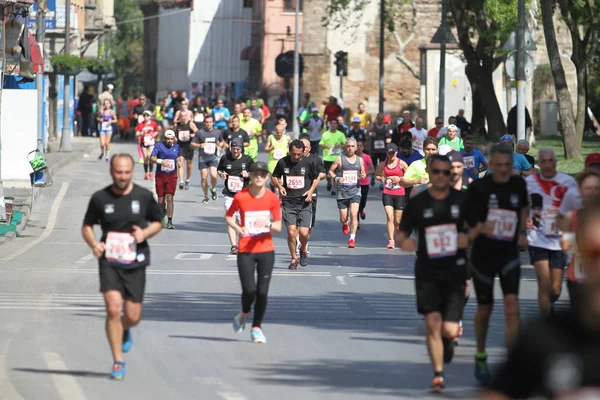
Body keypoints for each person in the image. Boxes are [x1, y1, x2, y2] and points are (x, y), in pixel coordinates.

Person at [481, 196, 600, 399]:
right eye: (594, 253)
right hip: (540, 243)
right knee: (547, 285)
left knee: (553, 287)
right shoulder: (543, 336)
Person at [81, 154, 163, 380]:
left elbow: (159, 221)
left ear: (132, 172)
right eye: (119, 172)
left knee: (133, 316)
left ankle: (125, 327)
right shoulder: (100, 198)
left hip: (135, 262)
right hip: (110, 261)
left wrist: (144, 233)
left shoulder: (143, 196)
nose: (123, 176)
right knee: (113, 309)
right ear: (111, 172)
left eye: (127, 172)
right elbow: (87, 226)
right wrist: (95, 244)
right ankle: (118, 361)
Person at [395, 154, 471, 393]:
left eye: (445, 172)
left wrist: (467, 237)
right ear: (430, 173)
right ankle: (438, 374)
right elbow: (402, 233)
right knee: (432, 322)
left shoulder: (463, 199)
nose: (441, 176)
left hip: (456, 269)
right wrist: (406, 244)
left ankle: (448, 341)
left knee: (448, 329)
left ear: (451, 174)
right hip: (427, 270)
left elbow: (479, 225)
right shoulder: (419, 202)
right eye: (436, 172)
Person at [466, 143, 529, 386]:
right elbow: (468, 219)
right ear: (490, 165)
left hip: (508, 253)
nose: (504, 170)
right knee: (485, 309)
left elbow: (523, 207)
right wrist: (480, 228)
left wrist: (523, 230)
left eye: (507, 165)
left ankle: (514, 359)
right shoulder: (480, 188)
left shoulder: (518, 184)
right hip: (483, 255)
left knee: (512, 305)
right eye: (499, 165)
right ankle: (480, 354)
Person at [226, 161, 282, 344]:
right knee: (249, 290)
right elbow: (228, 216)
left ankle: (256, 327)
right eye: (255, 174)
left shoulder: (272, 198)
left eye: (262, 174)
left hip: (266, 250)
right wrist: (238, 228)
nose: (259, 177)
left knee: (263, 292)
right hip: (246, 250)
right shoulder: (241, 196)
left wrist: (266, 224)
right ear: (250, 176)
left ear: (267, 177)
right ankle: (243, 314)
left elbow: (278, 226)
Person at [525, 148, 577, 314]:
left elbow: (576, 210)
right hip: (537, 237)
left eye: (550, 161)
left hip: (560, 239)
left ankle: (549, 305)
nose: (547, 164)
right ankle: (546, 321)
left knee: (555, 289)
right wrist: (525, 218)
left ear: (555, 162)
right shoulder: (529, 182)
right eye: (543, 161)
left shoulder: (568, 182)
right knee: (544, 282)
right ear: (538, 163)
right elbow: (521, 204)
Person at [271, 140, 320, 270]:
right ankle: (294, 258)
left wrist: (310, 191)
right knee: (292, 232)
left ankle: (303, 249)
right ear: (289, 151)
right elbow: (274, 176)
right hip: (289, 202)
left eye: (299, 154)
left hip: (304, 202)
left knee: (304, 233)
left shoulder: (309, 162)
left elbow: (315, 179)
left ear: (303, 152)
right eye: (293, 154)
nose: (296, 157)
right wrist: (280, 186)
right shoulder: (283, 162)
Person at [560, 169, 600, 312]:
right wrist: (566, 243)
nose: (593, 192)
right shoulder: (571, 216)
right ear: (580, 191)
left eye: (597, 188)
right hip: (578, 276)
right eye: (588, 188)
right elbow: (567, 246)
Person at [328, 138, 367, 248]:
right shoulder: (339, 159)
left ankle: (352, 239)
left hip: (355, 191)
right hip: (342, 192)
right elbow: (330, 171)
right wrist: (336, 179)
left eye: (352, 146)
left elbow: (362, 172)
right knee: (343, 218)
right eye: (348, 146)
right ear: (345, 148)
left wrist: (363, 175)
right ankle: (345, 223)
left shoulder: (360, 160)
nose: (350, 148)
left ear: (356, 148)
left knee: (354, 214)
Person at [219, 138, 254, 255]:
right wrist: (222, 174)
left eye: (238, 149)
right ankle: (234, 246)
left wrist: (247, 174)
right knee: (231, 220)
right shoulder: (225, 158)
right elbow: (219, 169)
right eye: (233, 149)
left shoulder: (247, 160)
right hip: (229, 194)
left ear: (241, 149)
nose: (235, 151)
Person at [298, 135, 327, 255]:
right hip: (295, 194)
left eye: (305, 147)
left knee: (309, 222)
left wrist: (316, 177)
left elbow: (323, 174)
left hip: (311, 193)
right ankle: (297, 244)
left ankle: (304, 244)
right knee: (295, 222)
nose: (303, 149)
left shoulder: (315, 159)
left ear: (309, 148)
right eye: (301, 147)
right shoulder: (293, 159)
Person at [150, 130, 185, 229]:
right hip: (160, 175)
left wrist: (179, 162)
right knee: (161, 200)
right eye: (168, 139)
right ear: (165, 138)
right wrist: (161, 161)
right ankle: (162, 214)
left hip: (172, 176)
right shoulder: (159, 146)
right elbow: (151, 158)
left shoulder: (177, 147)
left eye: (171, 139)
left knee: (170, 197)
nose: (170, 140)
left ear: (174, 139)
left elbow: (179, 157)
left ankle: (170, 221)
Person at [376, 143, 408, 249]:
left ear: (396, 152)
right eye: (389, 153)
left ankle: (398, 227)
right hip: (387, 192)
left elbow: (409, 177)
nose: (391, 155)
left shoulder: (402, 164)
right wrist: (381, 179)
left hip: (399, 193)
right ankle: (391, 241)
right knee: (389, 216)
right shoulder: (383, 164)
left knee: (397, 220)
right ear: (387, 153)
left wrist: (400, 179)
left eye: (393, 153)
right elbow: (377, 175)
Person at [191, 116, 225, 204]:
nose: (208, 124)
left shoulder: (217, 132)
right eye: (207, 122)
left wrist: (219, 146)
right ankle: (206, 196)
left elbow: (222, 141)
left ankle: (213, 188)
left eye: (210, 122)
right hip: (202, 158)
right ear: (204, 123)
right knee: (204, 177)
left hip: (213, 157)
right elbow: (192, 144)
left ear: (213, 123)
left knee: (214, 175)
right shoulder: (200, 132)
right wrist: (200, 145)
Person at [319, 119, 347, 196]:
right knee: (328, 174)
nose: (333, 125)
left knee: (336, 173)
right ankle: (328, 182)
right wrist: (326, 146)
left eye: (335, 123)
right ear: (329, 124)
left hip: (337, 158)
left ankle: (334, 189)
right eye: (332, 123)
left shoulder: (340, 134)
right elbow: (321, 144)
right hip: (327, 157)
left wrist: (340, 146)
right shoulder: (325, 134)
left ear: (337, 125)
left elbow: (345, 144)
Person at [174, 107, 199, 190]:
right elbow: (174, 135)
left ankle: (187, 180)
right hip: (180, 146)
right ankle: (181, 181)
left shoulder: (190, 124)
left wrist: (192, 135)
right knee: (180, 163)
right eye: (182, 116)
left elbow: (198, 133)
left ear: (187, 117)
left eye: (185, 116)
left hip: (189, 146)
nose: (183, 117)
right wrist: (175, 139)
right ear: (179, 117)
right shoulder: (177, 125)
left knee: (189, 165)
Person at [135, 110, 159, 180]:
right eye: (144, 115)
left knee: (150, 156)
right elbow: (136, 134)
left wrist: (154, 135)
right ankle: (146, 173)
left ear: (150, 117)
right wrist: (141, 133)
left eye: (147, 115)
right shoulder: (141, 124)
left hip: (151, 142)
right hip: (144, 142)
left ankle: (151, 173)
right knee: (145, 157)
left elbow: (156, 131)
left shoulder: (153, 123)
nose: (145, 117)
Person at [356, 140, 375, 222]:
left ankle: (361, 210)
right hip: (354, 183)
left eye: (361, 146)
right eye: (358, 146)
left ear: (363, 148)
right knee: (355, 202)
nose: (359, 148)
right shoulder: (351, 157)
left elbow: (373, 170)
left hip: (364, 183)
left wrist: (365, 174)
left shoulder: (367, 157)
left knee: (363, 201)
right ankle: (357, 221)